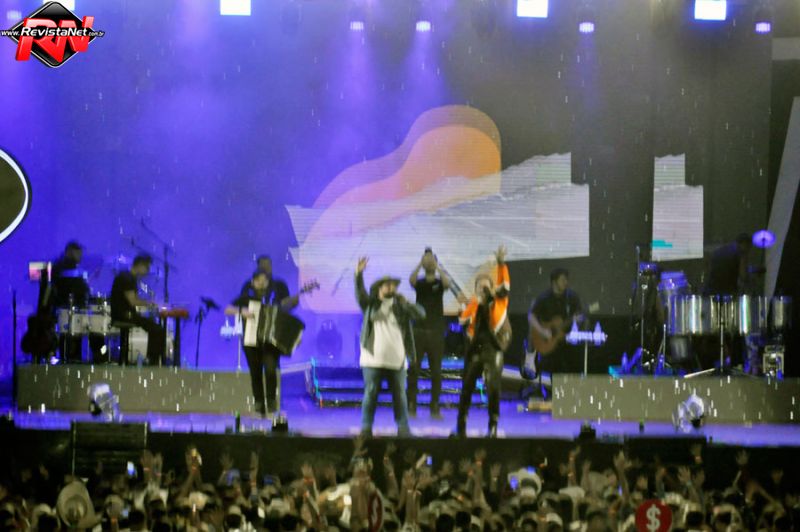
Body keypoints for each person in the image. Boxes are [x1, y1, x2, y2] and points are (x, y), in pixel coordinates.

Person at [355, 256, 425, 437]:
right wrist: (359, 274)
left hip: (397, 360)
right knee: (370, 394)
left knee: (400, 396)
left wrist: (406, 303)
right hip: (372, 359)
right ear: (379, 288)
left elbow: (421, 314)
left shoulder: (401, 307)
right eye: (387, 285)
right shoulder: (370, 305)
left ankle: (403, 429)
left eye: (393, 285)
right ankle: (366, 428)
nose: (391, 288)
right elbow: (360, 294)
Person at [455, 245, 510, 438]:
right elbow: (462, 320)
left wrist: (501, 264)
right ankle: (461, 424)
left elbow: (505, 286)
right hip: (476, 350)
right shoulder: (473, 304)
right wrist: (470, 309)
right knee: (467, 387)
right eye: (479, 286)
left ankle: (493, 424)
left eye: (486, 286)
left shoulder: (499, 301)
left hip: (493, 348)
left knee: (493, 387)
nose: (482, 288)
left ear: (491, 288)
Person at [225, 270, 298, 416]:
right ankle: (259, 403)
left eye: (264, 281)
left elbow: (286, 313)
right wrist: (242, 311)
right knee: (256, 372)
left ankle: (271, 402)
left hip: (270, 342)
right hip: (250, 341)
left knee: (270, 370)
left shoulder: (274, 298)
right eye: (258, 281)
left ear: (268, 282)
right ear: (253, 282)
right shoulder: (246, 298)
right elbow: (228, 309)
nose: (261, 283)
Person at [408, 248, 457, 419]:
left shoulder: (439, 282)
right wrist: (419, 264)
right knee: (414, 370)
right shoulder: (420, 283)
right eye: (426, 259)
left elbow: (448, 284)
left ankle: (434, 407)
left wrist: (438, 267)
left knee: (436, 372)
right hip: (419, 332)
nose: (428, 261)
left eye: (431, 259)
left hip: (436, 332)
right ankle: (411, 406)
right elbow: (411, 281)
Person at [110, 254, 167, 365]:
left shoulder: (128, 277)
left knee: (155, 327)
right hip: (124, 314)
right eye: (147, 267)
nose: (148, 271)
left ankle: (152, 359)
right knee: (157, 330)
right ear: (140, 265)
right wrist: (151, 303)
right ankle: (152, 361)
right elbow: (133, 301)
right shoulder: (126, 278)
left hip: (125, 313)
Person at [528, 268, 584, 376]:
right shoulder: (544, 298)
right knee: (554, 367)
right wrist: (542, 331)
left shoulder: (572, 297)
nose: (566, 282)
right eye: (562, 280)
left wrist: (577, 321)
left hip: (567, 342)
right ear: (554, 282)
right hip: (548, 344)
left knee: (574, 363)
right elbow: (531, 316)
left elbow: (579, 315)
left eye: (566, 279)